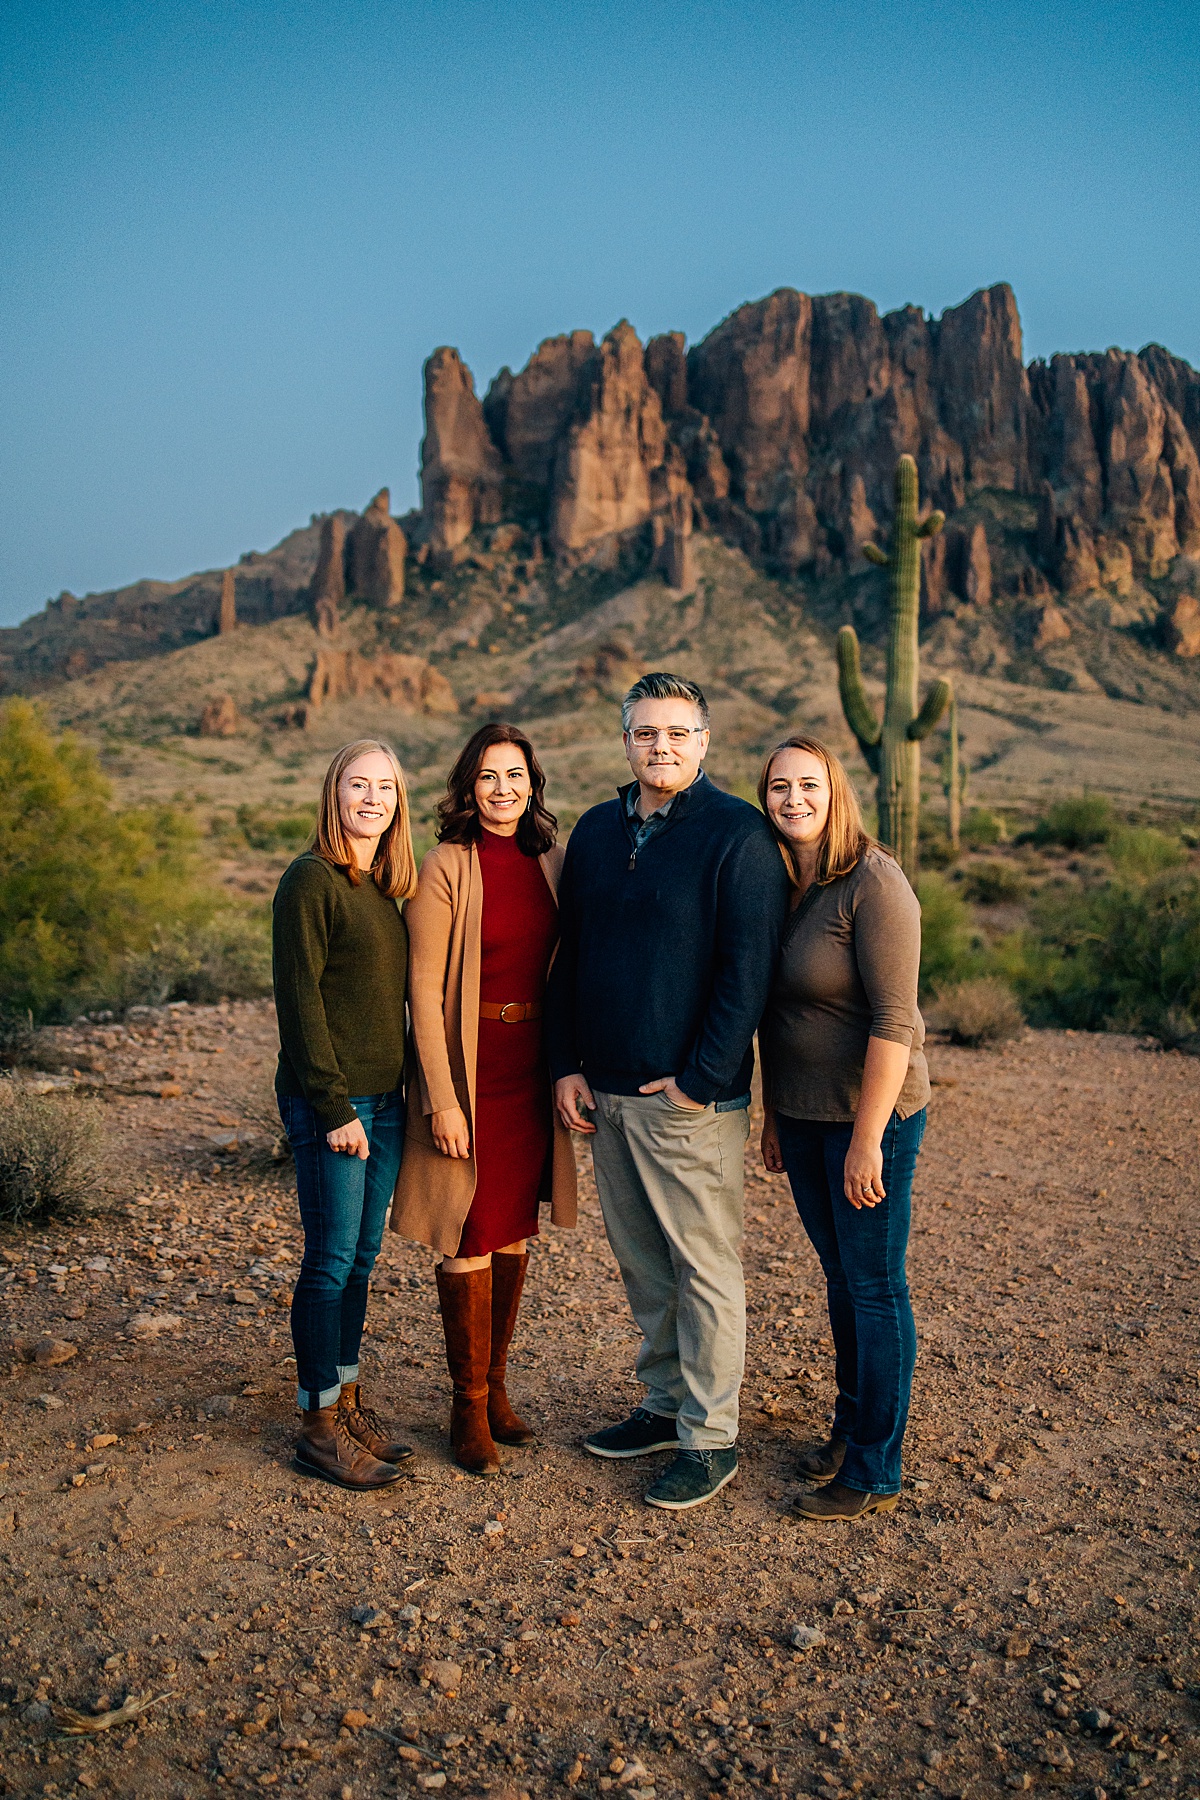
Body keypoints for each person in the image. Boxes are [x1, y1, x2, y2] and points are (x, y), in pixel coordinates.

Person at [547, 673, 789, 1511]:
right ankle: (661, 1404)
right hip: (605, 1091)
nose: (662, 747)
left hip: (688, 1102)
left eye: (678, 733)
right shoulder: (595, 830)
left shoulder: (737, 836)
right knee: (645, 1265)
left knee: (703, 1267)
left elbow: (746, 973)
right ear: (625, 743)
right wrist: (567, 1062)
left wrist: (700, 1080)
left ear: (705, 742)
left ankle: (710, 1437)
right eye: (646, 733)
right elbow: (570, 955)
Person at [391, 723, 577, 1476]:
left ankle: (498, 1389)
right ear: (469, 787)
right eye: (489, 777)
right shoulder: (444, 866)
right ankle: (466, 1405)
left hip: (533, 1068)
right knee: (466, 1231)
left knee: (511, 1229)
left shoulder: (553, 862)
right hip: (470, 1070)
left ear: (534, 783)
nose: (503, 790)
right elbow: (423, 993)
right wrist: (441, 1098)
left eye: (516, 776)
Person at [757, 734, 930, 1520]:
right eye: (779, 787)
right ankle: (849, 1426)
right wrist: (771, 1113)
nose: (793, 800)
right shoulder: (781, 882)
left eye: (809, 786)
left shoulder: (875, 881)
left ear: (836, 794)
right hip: (801, 1113)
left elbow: (896, 1021)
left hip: (871, 1117)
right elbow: (776, 1014)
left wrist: (868, 1140)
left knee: (873, 1284)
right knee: (840, 1280)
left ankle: (874, 1468)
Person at [273, 739, 419, 1491]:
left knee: (361, 1258)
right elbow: (298, 1003)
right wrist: (333, 1107)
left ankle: (349, 1401)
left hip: (385, 1104)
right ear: (333, 793)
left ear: (399, 802)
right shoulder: (311, 881)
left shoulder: (382, 888)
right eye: (357, 785)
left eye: (385, 788)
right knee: (329, 1260)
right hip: (335, 1105)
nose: (371, 799)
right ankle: (318, 1427)